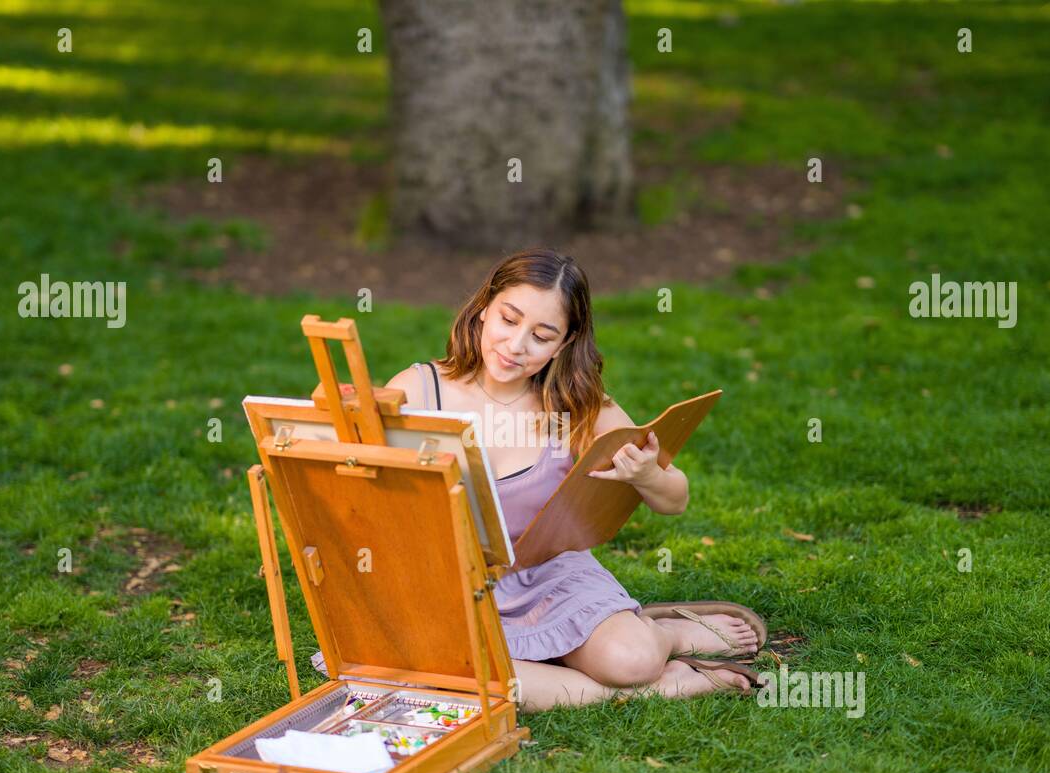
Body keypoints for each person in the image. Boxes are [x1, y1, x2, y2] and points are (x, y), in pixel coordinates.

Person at [312, 248, 767, 712]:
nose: (516, 346)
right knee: (440, 677)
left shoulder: (577, 406)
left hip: (548, 576)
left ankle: (665, 633)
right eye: (509, 320)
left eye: (542, 335)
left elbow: (675, 499)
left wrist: (648, 473)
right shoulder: (417, 388)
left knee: (630, 659)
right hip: (448, 583)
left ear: (565, 343)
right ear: (484, 308)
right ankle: (666, 686)